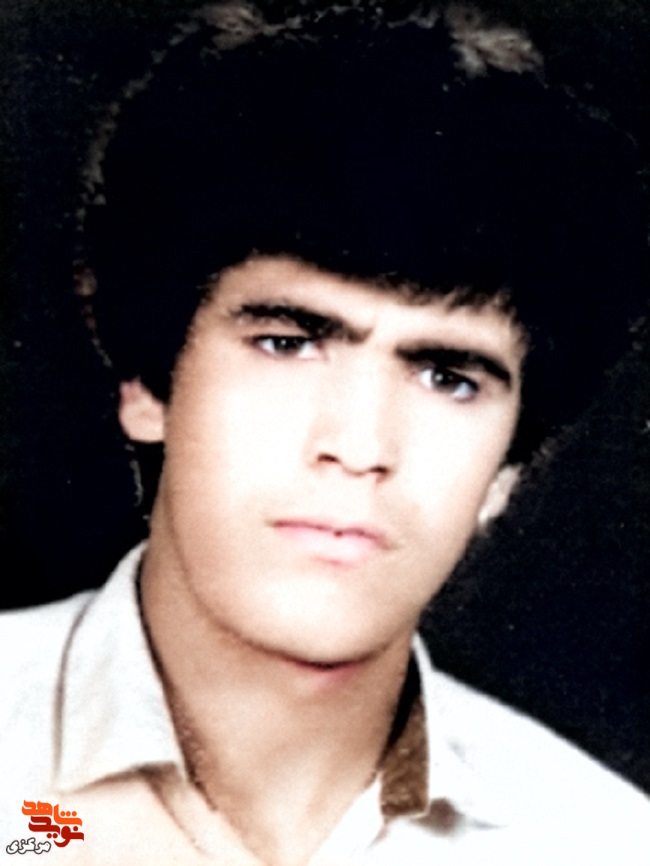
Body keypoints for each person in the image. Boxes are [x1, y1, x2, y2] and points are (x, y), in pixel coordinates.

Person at [1, 2, 648, 863]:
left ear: (508, 468)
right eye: (288, 342)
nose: (359, 446)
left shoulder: (604, 844)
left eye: (448, 377)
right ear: (150, 385)